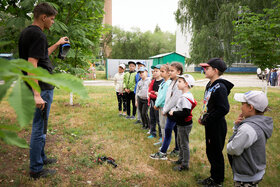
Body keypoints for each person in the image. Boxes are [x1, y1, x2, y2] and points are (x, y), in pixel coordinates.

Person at [18, 2, 69, 179]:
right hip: (41, 87)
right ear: (44, 17)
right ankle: (36, 169)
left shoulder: (27, 32)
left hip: (37, 86)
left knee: (41, 125)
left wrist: (57, 44)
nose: (53, 22)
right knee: (39, 128)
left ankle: (41, 157)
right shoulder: (38, 35)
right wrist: (37, 94)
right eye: (52, 19)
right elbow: (32, 65)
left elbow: (40, 55)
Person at [197, 58, 234, 186]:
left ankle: (217, 181)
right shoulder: (210, 85)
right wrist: (204, 116)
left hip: (217, 125)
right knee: (210, 151)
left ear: (215, 70)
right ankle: (213, 177)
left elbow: (224, 108)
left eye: (207, 68)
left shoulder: (220, 87)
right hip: (210, 123)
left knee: (215, 153)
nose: (204, 70)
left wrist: (209, 118)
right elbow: (209, 104)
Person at [227, 91, 273, 187]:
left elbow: (232, 149)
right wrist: (237, 126)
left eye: (243, 104)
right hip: (255, 171)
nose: (240, 107)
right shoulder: (260, 123)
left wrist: (236, 131)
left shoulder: (247, 129)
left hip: (246, 177)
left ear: (250, 107)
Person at [150, 62, 183, 160]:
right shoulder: (173, 82)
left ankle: (163, 153)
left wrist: (165, 109)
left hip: (173, 111)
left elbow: (174, 99)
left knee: (168, 131)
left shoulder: (178, 83)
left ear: (179, 72)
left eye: (172, 71)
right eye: (169, 70)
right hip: (170, 110)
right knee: (175, 131)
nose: (170, 73)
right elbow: (168, 97)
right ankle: (177, 149)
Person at [170, 74, 197, 171]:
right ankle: (180, 159)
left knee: (184, 144)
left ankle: (185, 165)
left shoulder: (185, 97)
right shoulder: (185, 95)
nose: (178, 83)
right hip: (181, 124)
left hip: (184, 124)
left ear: (186, 84)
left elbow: (186, 112)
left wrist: (174, 113)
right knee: (180, 142)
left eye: (180, 81)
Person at [154, 64, 171, 146]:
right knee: (162, 124)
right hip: (161, 106)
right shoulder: (164, 82)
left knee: (164, 126)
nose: (160, 73)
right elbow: (160, 94)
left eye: (162, 71)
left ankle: (165, 144)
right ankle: (163, 141)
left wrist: (156, 104)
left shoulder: (168, 83)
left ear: (168, 73)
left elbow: (163, 96)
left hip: (164, 106)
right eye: (160, 71)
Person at [148, 64, 163, 139]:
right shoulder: (153, 81)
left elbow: (160, 95)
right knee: (152, 118)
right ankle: (153, 132)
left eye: (156, 71)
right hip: (152, 102)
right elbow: (149, 92)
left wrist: (153, 94)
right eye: (153, 71)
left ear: (161, 72)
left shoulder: (163, 82)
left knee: (159, 119)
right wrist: (153, 94)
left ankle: (161, 135)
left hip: (159, 104)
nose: (154, 73)